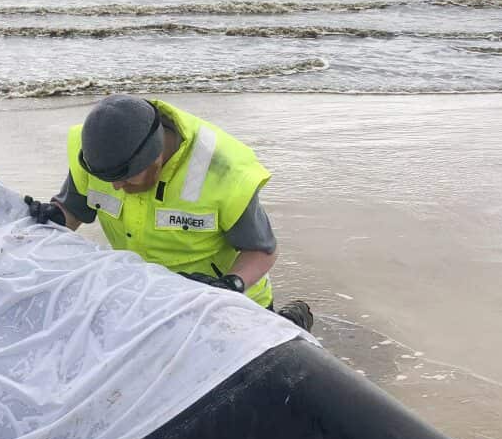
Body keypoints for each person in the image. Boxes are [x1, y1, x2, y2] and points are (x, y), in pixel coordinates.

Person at [25, 94, 312, 330]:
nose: (115, 185)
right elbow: (73, 209)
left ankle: (294, 317)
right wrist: (53, 216)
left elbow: (262, 251)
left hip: (231, 302)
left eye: (126, 178)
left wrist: (228, 286)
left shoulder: (224, 172)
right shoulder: (100, 153)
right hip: (150, 299)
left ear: (157, 158)